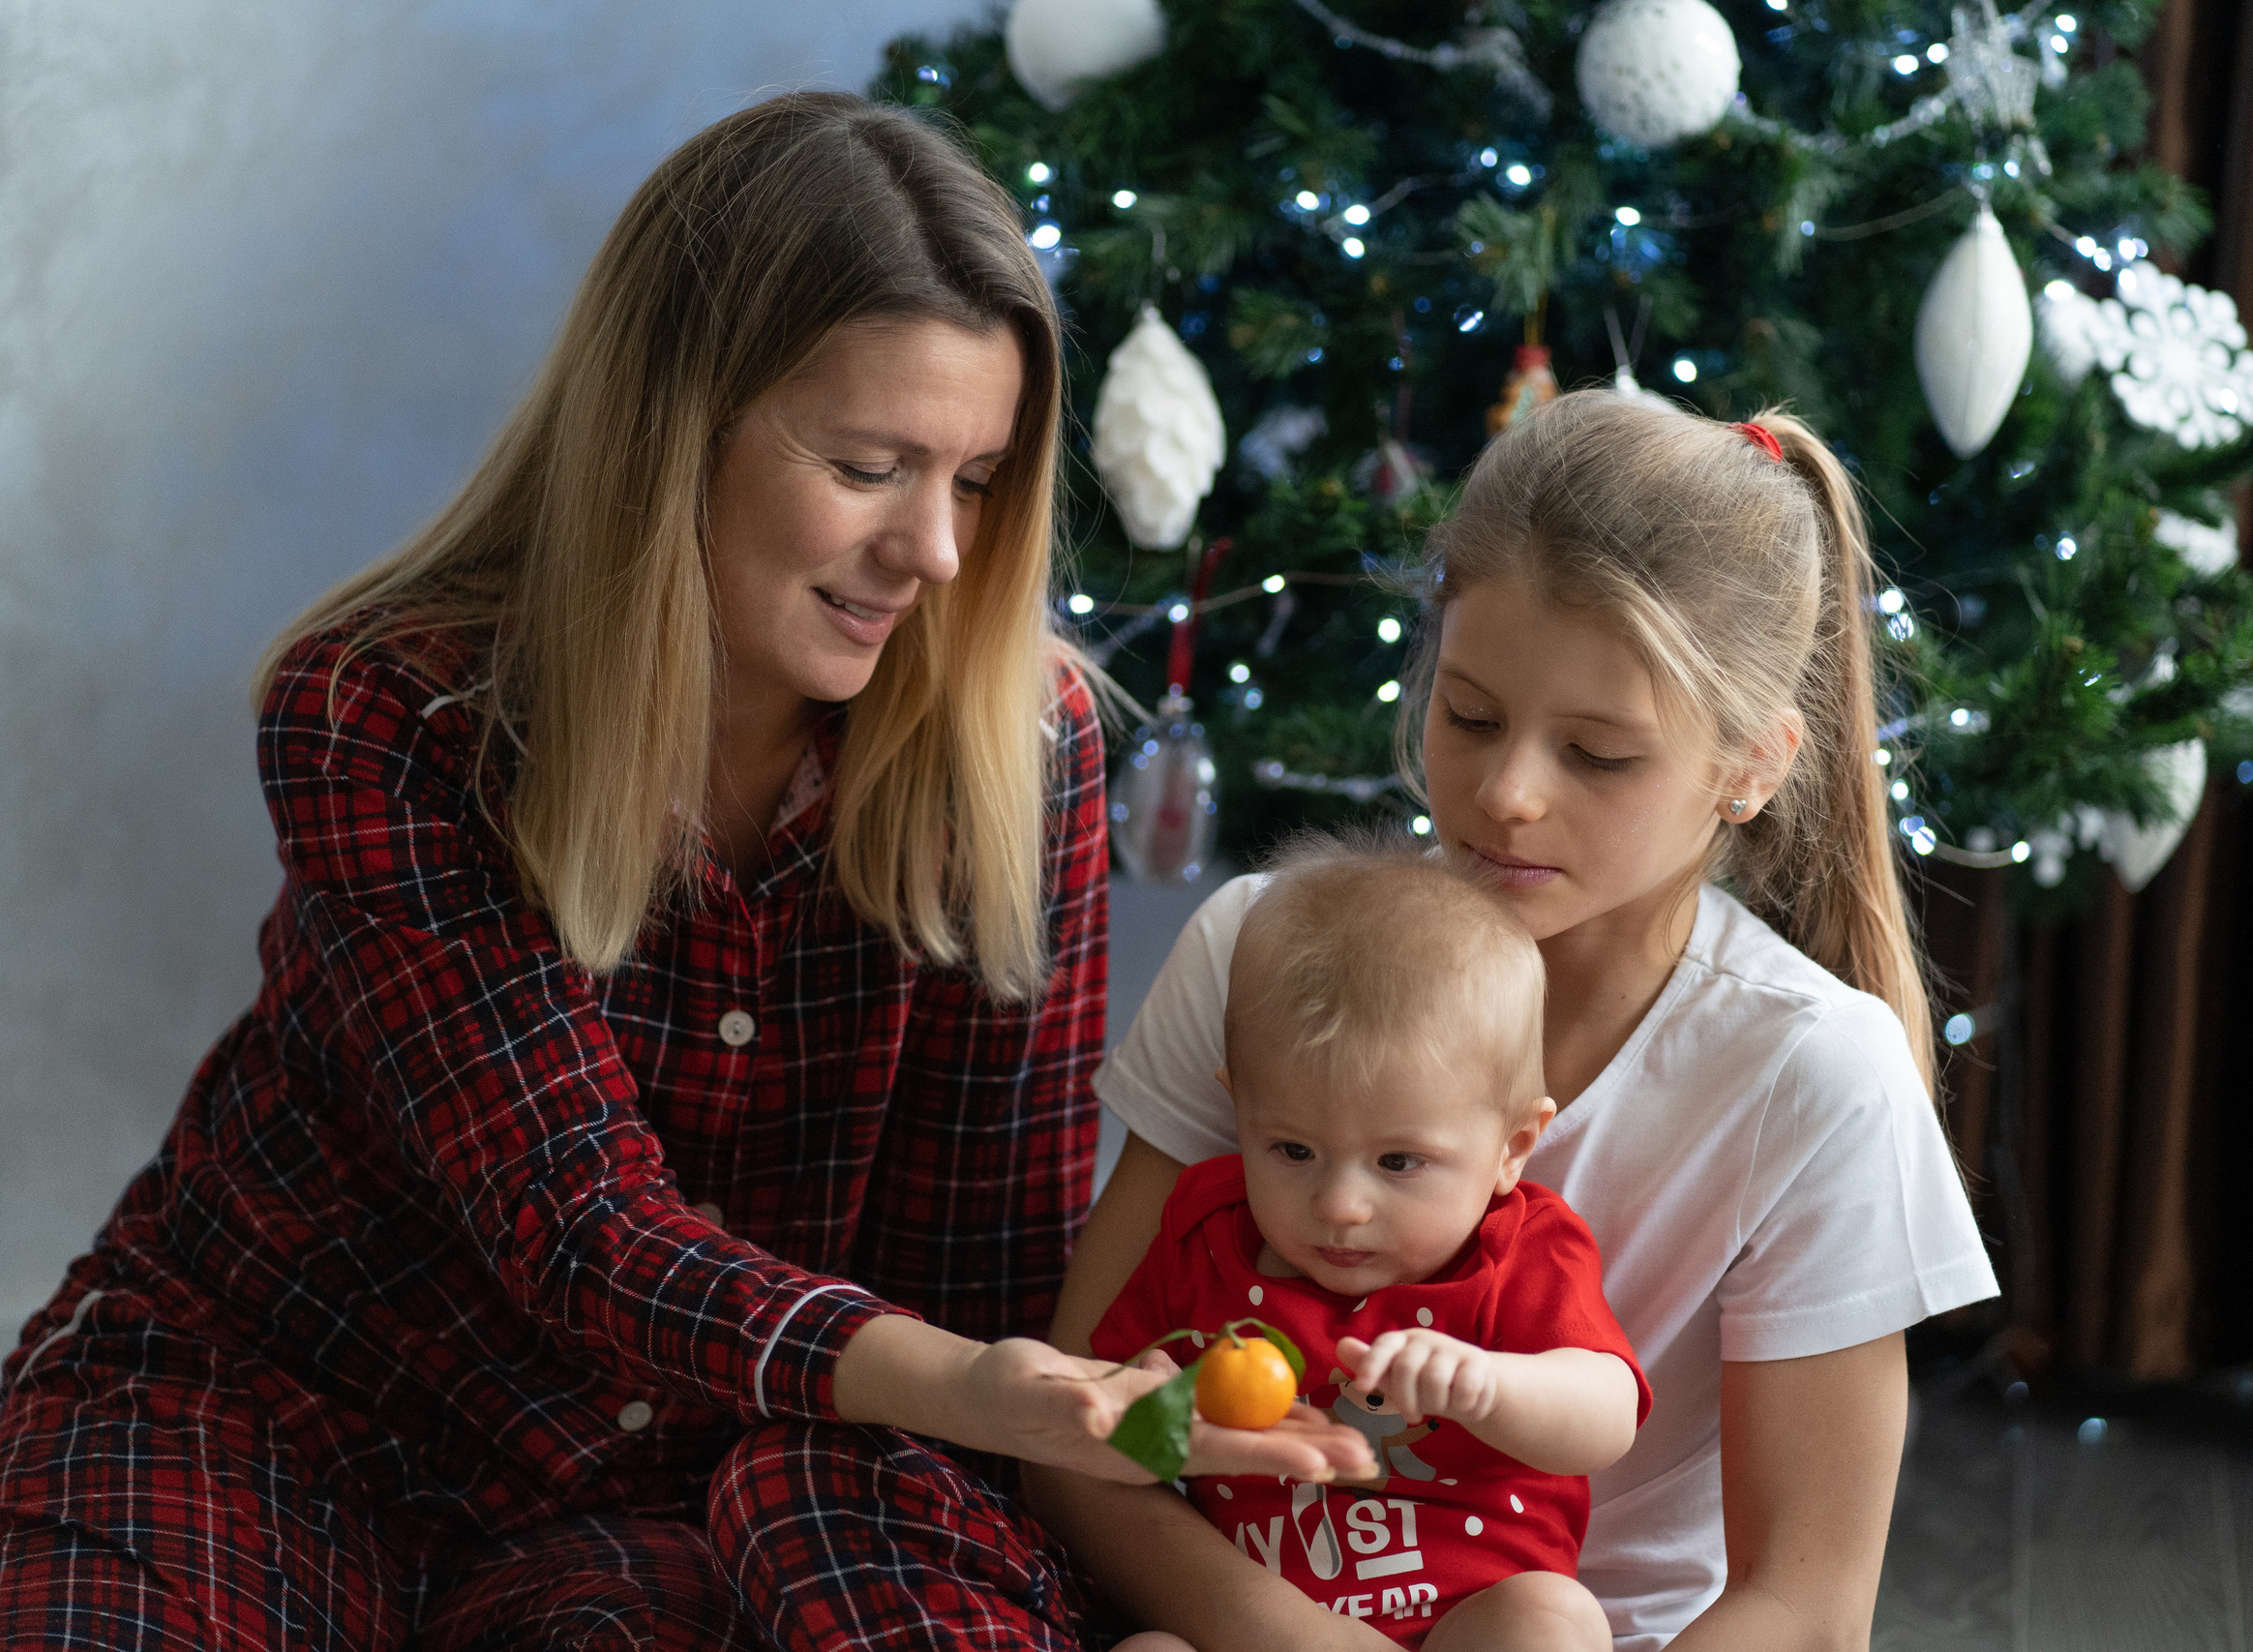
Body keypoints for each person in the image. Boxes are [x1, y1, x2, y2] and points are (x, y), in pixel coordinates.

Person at [0, 92, 1363, 1652]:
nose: (935, 549)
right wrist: (960, 1372)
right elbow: (576, 1221)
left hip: (677, 1480)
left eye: (977, 480)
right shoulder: (383, 708)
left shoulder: (1020, 746)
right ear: (674, 426)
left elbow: (978, 1257)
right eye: (869, 464)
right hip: (268, 1396)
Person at [1030, 392, 2002, 1650]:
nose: (1505, 792)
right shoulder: (1261, 949)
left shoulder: (1816, 1070)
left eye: (1598, 754)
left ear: (1751, 765)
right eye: (1471, 715)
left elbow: (1805, 1608)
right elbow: (1075, 1436)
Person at [1089, 837, 1651, 1652]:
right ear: (1236, 1108)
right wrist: (1140, 1415)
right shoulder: (1207, 1233)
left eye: (1398, 1162)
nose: (1341, 1205)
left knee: (1553, 1621)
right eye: (1291, 1150)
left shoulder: (1524, 1247)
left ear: (1514, 1147)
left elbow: (1606, 1416)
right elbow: (1098, 1431)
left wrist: (1487, 1384)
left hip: (1463, 1627)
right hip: (1250, 1630)